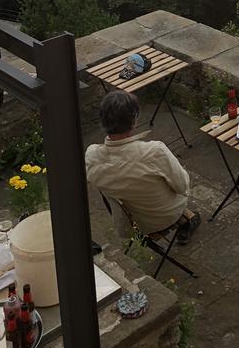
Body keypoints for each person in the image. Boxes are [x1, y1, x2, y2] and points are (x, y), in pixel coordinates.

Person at [86, 89, 201, 245]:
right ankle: (187, 219)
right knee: (177, 179)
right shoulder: (154, 152)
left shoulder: (92, 156)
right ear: (134, 121)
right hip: (168, 214)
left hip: (135, 221)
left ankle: (187, 220)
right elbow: (182, 186)